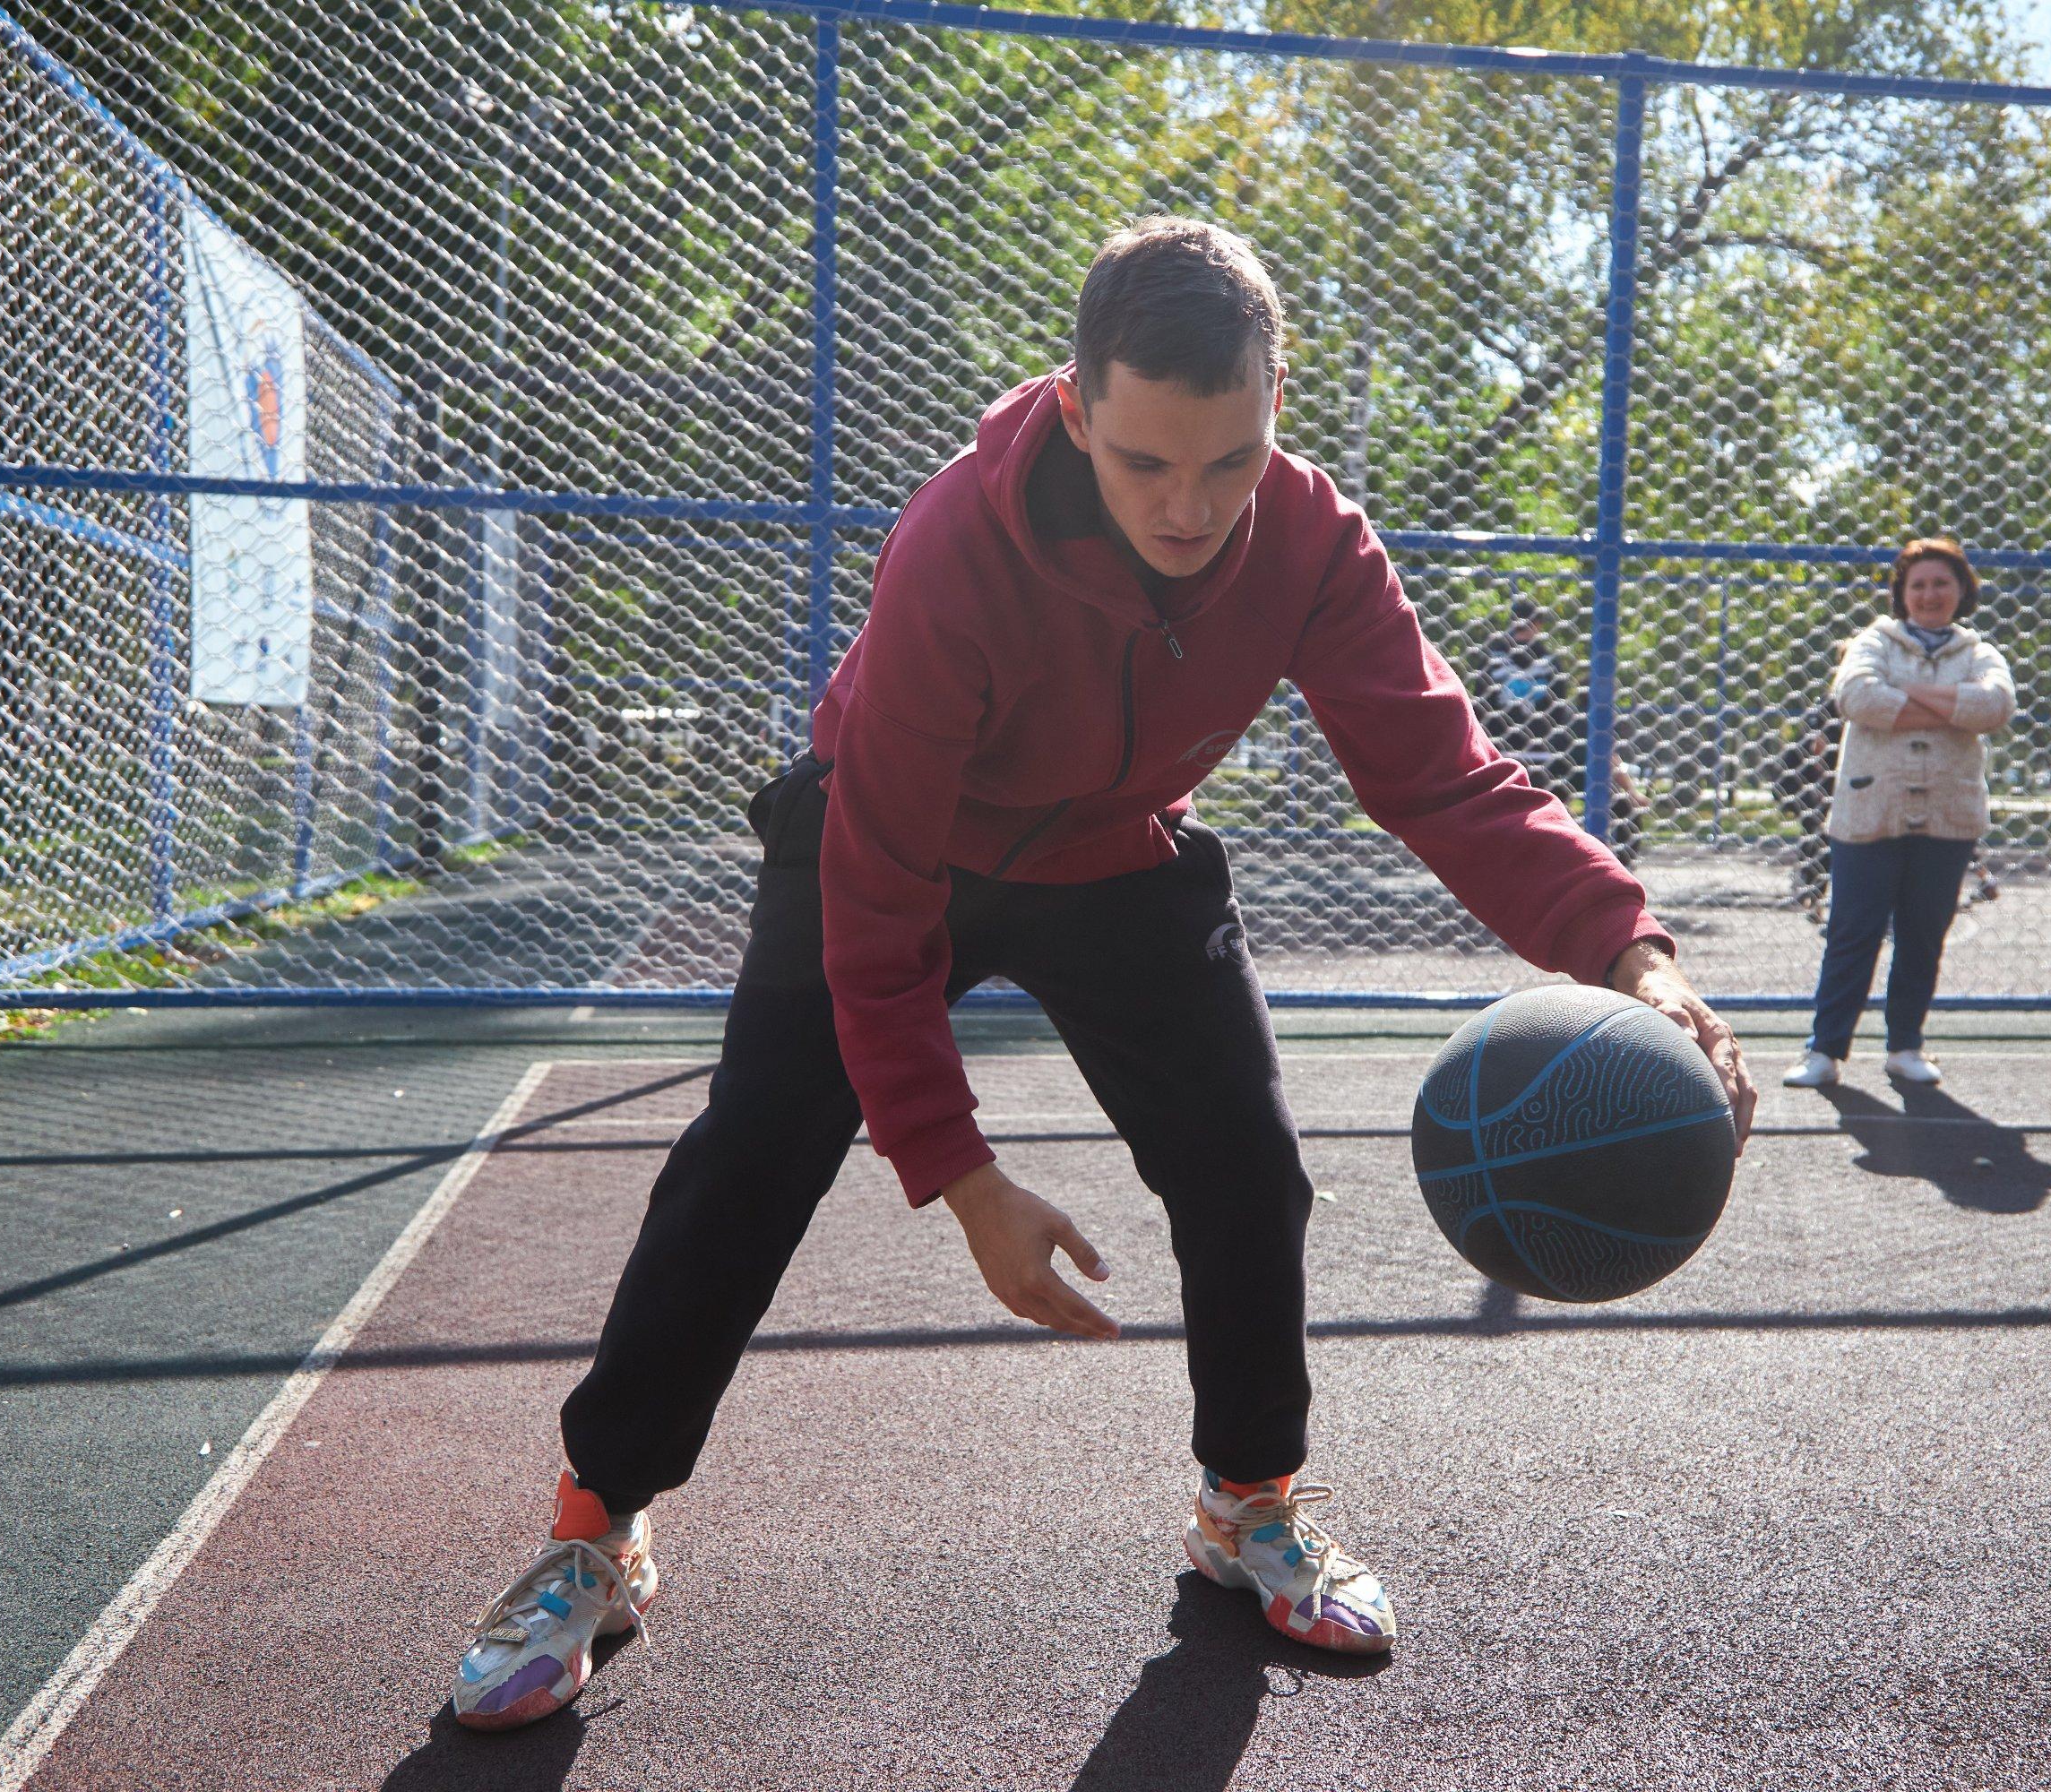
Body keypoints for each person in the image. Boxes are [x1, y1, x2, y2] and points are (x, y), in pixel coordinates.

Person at [450, 218, 1756, 1729]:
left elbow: (1445, 781)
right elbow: (876, 901)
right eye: (1147, 464)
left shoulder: (1316, 542)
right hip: (894, 841)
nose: (1191, 505)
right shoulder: (958, 546)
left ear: (1279, 405)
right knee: (748, 1156)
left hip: (1113, 856)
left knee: (1248, 1159)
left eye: (1231, 461)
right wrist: (962, 1174)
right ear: (1076, 409)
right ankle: (596, 1533)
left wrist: (1634, 953)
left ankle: (1247, 1504)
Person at [1782, 538, 2014, 1090]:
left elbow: (1996, 707)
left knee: (1923, 934)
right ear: (1902, 594)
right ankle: (1825, 1049)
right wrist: (1948, 705)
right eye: (1918, 585)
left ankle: (1905, 1046)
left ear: (1962, 590)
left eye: (1941, 583)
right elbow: (1857, 697)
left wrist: (1907, 692)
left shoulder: (1978, 650)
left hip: (1947, 814)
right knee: (1852, 931)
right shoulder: (1873, 641)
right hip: (1870, 809)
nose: (1930, 595)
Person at [1475, 596, 1642, 862]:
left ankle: (1506, 858)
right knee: (1545, 809)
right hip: (1541, 751)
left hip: (1501, 748)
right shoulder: (1548, 659)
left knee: (1509, 812)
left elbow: (1480, 702)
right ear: (1539, 623)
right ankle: (1603, 862)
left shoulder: (1491, 654)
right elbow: (1558, 707)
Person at [1775, 698, 1837, 918]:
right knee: (1819, 844)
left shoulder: (1828, 703)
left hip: (1826, 788)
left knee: (1818, 844)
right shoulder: (1831, 704)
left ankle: (1811, 893)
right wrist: (1819, 786)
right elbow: (1816, 745)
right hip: (1821, 789)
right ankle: (1813, 896)